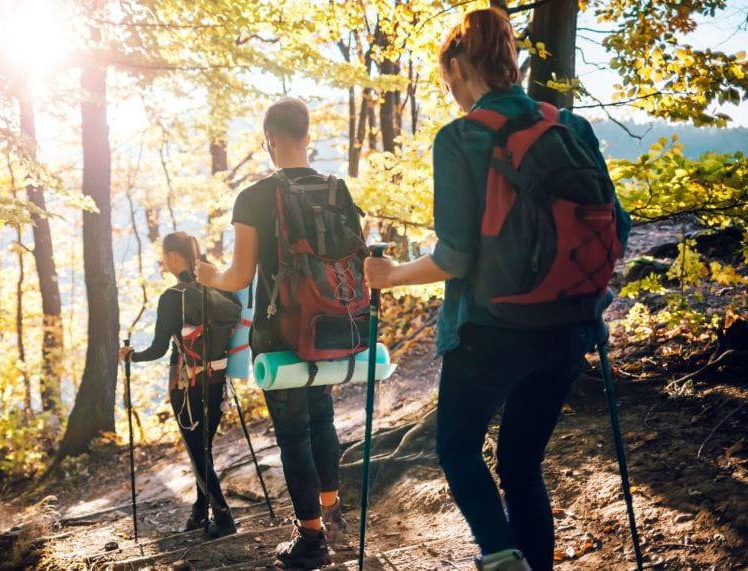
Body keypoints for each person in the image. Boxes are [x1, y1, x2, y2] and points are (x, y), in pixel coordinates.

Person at [364, 9, 631, 571]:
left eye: (448, 81)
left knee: (458, 448)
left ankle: (502, 559)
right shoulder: (571, 127)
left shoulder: (461, 137)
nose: (452, 94)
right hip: (571, 325)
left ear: (459, 68)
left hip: (490, 332)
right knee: (521, 463)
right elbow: (619, 226)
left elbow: (455, 256)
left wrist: (390, 276)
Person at [196, 96, 359, 569]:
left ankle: (311, 539)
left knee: (293, 434)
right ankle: (332, 512)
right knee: (322, 416)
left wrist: (210, 276)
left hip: (280, 330)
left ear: (268, 140)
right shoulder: (336, 189)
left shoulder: (253, 196)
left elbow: (241, 276)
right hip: (331, 321)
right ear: (308, 137)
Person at [119, 231, 237, 539]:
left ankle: (223, 517)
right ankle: (200, 512)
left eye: (165, 257)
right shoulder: (222, 288)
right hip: (217, 378)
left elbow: (159, 349)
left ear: (173, 257)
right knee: (205, 448)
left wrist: (133, 356)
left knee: (198, 451)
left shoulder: (172, 298)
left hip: (186, 384)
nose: (165, 262)